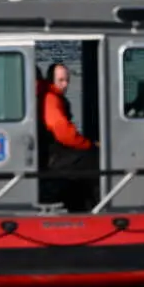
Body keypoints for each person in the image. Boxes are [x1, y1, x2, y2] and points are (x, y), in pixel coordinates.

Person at [39, 62, 99, 212]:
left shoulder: (54, 97)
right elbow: (64, 132)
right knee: (94, 159)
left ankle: (84, 204)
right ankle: (95, 205)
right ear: (51, 80)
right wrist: (89, 145)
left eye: (67, 80)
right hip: (54, 156)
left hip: (56, 152)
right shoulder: (51, 99)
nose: (65, 85)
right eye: (61, 80)